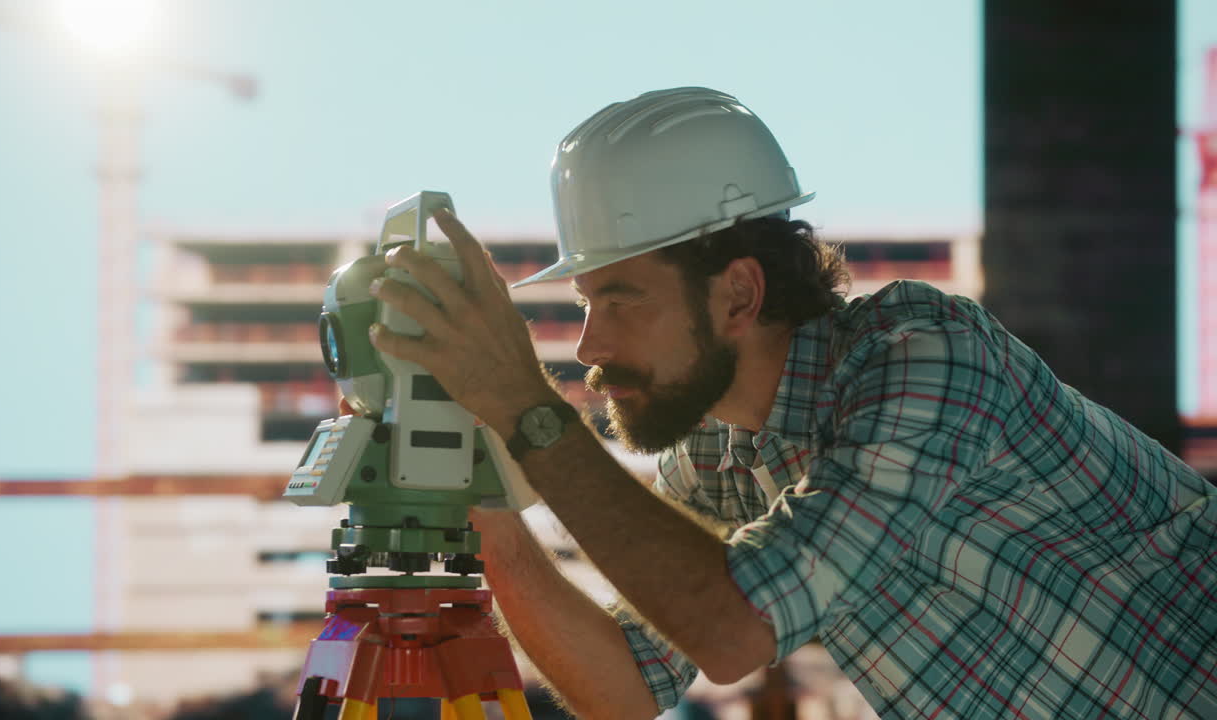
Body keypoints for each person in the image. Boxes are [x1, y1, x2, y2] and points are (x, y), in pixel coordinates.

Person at [364, 87, 1217, 719]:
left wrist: (524, 403)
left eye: (620, 300)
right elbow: (620, 691)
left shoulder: (927, 357)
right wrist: (490, 502)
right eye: (587, 304)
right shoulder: (716, 458)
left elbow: (735, 633)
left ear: (738, 294)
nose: (588, 345)